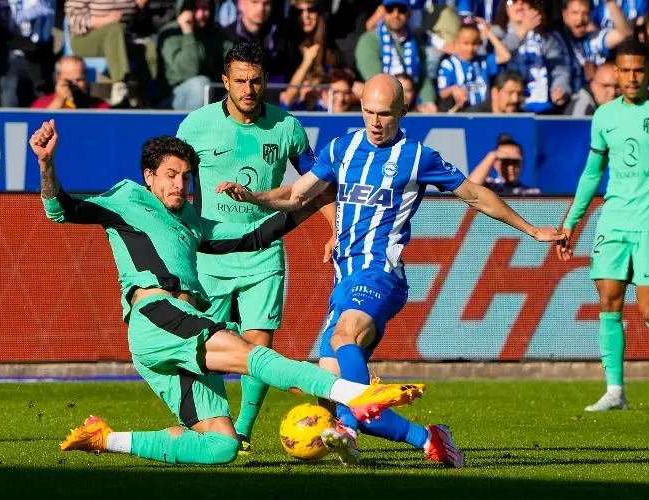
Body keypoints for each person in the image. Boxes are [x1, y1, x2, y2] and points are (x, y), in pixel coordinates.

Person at [216, 73, 566, 466]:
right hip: (345, 278)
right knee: (334, 387)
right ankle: (428, 439)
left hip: (381, 274)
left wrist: (533, 228)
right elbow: (298, 195)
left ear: (403, 111)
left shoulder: (418, 156)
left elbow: (476, 194)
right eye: (368, 111)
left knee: (346, 341)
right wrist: (254, 196)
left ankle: (350, 425)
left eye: (385, 113)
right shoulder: (341, 148)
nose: (375, 122)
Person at [31, 120, 424, 464]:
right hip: (157, 316)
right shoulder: (126, 198)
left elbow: (253, 238)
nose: (179, 184)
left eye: (186, 177)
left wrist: (309, 206)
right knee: (251, 354)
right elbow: (60, 209)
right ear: (149, 176)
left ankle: (104, 439)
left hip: (170, 336)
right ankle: (354, 394)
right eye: (170, 174)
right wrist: (47, 165)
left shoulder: (189, 220)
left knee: (222, 446)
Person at [175, 42, 335, 455]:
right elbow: (174, 184)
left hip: (263, 252)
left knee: (257, 346)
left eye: (256, 80)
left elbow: (316, 185)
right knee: (201, 346)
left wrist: (336, 229)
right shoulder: (195, 126)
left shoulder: (287, 128)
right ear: (224, 81)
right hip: (208, 254)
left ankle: (242, 432)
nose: (249, 88)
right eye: (240, 80)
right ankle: (210, 424)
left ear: (265, 81)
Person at [557, 38, 649, 412]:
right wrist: (572, 222)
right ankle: (615, 390)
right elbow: (592, 173)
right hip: (613, 221)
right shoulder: (604, 116)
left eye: (638, 70)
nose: (632, 77)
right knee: (608, 301)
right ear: (615, 73)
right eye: (625, 70)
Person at [550, 0, 631, 95]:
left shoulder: (593, 38)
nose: (580, 19)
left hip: (592, 99)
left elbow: (624, 34)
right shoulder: (553, 39)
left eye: (585, 13)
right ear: (565, 14)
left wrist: (610, 3)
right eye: (575, 13)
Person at [437, 21, 512, 112]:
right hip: (463, 111)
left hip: (484, 111)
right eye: (466, 43)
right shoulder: (449, 64)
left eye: (475, 43)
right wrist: (453, 89)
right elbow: (442, 92)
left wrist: (489, 33)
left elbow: (505, 56)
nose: (470, 48)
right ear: (457, 42)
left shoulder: (484, 61)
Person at [468, 134, 541, 194]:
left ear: (522, 164)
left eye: (515, 162)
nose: (511, 167)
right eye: (505, 161)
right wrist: (492, 155)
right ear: (495, 163)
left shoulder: (531, 193)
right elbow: (470, 189)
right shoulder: (487, 187)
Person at [30, 56, 110, 109]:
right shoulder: (40, 105)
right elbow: (37, 129)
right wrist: (59, 101)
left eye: (79, 80)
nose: (74, 85)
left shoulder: (100, 107)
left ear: (86, 78)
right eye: (69, 81)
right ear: (58, 78)